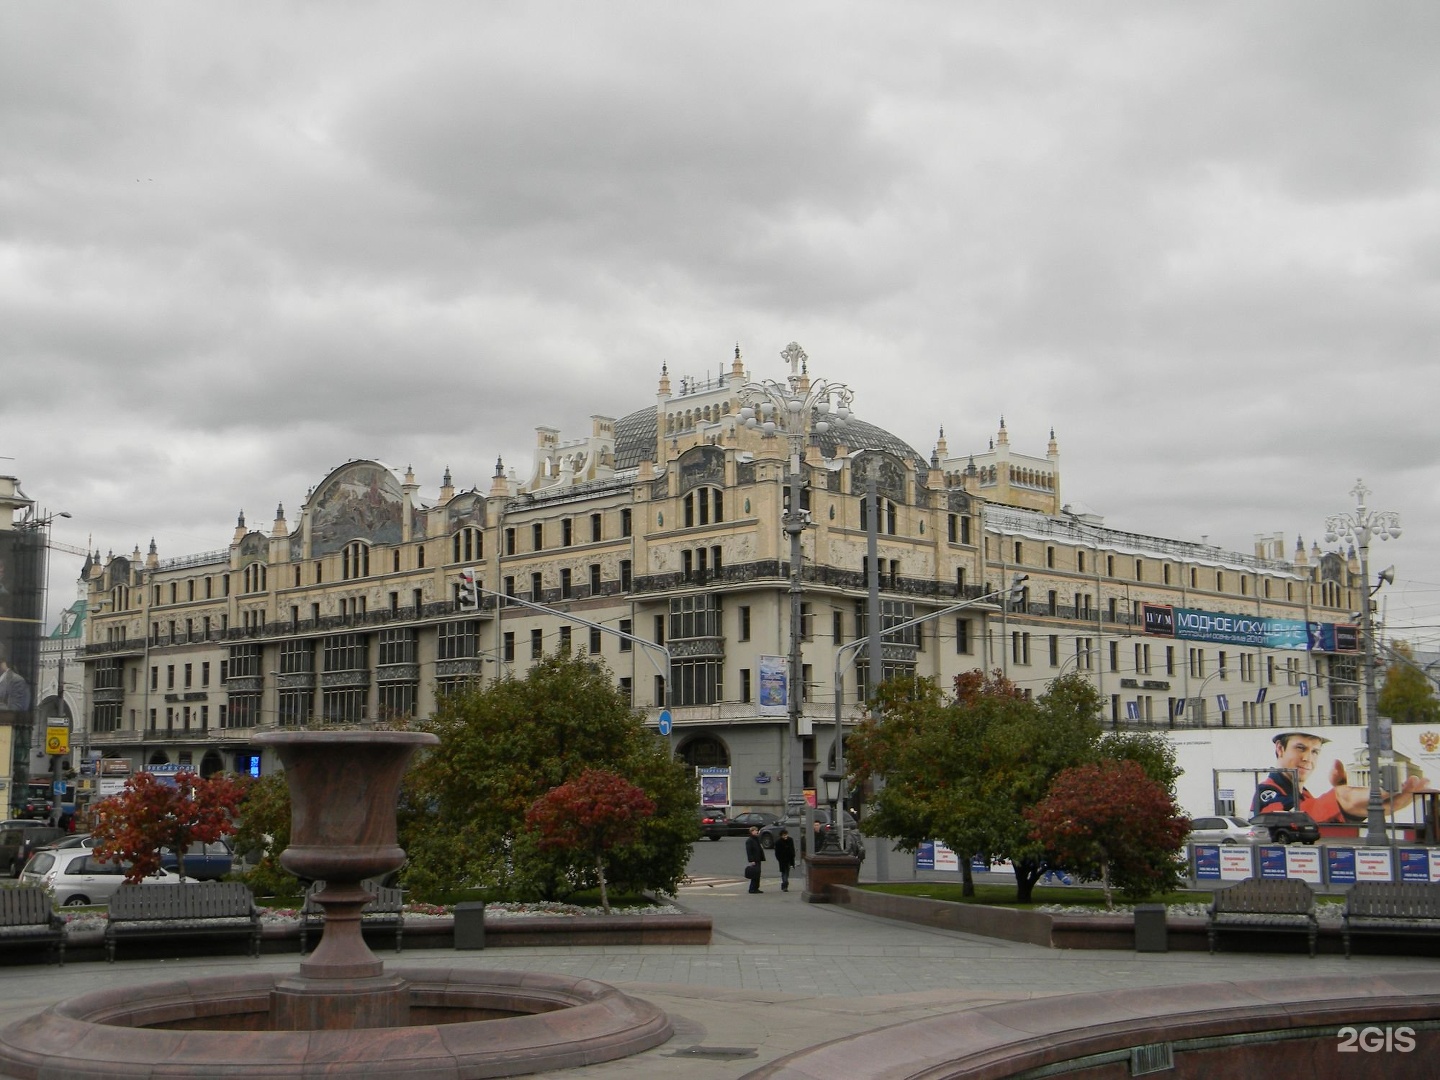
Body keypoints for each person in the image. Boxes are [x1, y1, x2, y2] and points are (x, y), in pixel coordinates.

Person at [1252, 731, 1426, 822]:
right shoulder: (1267, 791)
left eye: (1315, 752)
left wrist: (1350, 810)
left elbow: (1318, 820)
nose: (1307, 758)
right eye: (1300, 748)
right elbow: (1286, 820)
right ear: (1280, 749)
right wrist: (1339, 797)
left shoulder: (1303, 793)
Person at [744, 825, 766, 893]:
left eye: (757, 830)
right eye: (755, 830)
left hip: (758, 859)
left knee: (758, 874)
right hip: (754, 860)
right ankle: (752, 888)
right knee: (754, 874)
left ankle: (756, 888)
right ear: (751, 832)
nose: (757, 832)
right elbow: (749, 851)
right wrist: (751, 860)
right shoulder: (749, 840)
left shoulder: (756, 839)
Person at [773, 828, 796, 892]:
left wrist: (793, 857)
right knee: (784, 872)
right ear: (781, 836)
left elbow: (792, 849)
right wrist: (779, 859)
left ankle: (784, 884)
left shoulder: (790, 840)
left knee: (787, 872)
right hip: (782, 860)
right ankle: (785, 884)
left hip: (789, 859)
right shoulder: (778, 842)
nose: (785, 836)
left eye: (786, 835)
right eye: (784, 835)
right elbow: (777, 853)